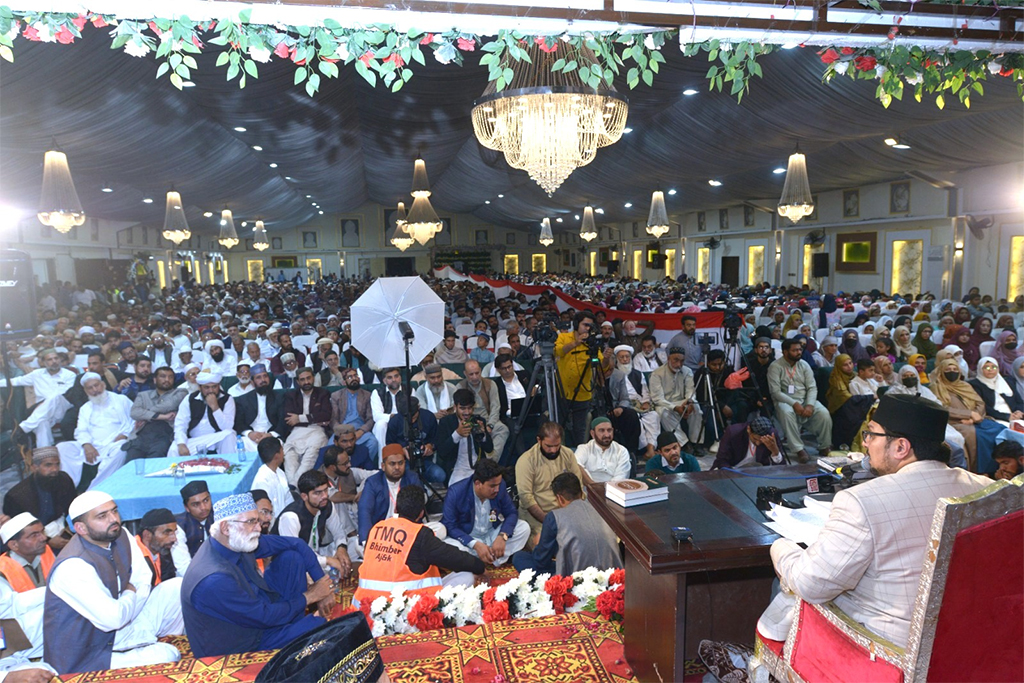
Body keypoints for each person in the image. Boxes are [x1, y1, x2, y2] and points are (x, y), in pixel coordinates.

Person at [757, 394, 992, 649]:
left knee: (790, 582)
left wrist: (781, 547)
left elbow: (810, 585)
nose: (866, 444)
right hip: (969, 638)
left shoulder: (862, 501)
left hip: (890, 651)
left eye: (871, 434)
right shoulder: (989, 490)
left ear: (900, 447)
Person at [44, 491, 184, 674]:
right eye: (102, 516)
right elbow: (113, 619)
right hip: (87, 651)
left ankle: (140, 640)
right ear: (81, 528)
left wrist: (128, 611)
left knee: (177, 586)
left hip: (124, 623)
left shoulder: (121, 534)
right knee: (167, 655)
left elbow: (143, 580)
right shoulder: (73, 566)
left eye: (114, 511)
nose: (114, 519)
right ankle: (143, 643)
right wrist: (128, 594)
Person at [180, 493, 335, 658]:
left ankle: (293, 625)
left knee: (291, 557)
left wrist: (322, 585)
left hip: (257, 610)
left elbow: (297, 544)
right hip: (240, 643)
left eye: (257, 521)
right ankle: (294, 627)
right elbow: (264, 616)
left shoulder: (236, 539)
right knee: (323, 630)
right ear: (225, 528)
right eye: (251, 522)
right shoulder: (214, 578)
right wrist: (311, 596)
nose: (259, 528)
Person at [353, 486, 484, 608]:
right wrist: (480, 567)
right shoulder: (420, 534)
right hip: (403, 609)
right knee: (467, 576)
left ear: (396, 509)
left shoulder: (377, 527)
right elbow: (455, 558)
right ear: (421, 513)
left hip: (364, 605)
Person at [511, 472, 622, 576]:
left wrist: (537, 546)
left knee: (520, 557)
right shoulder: (602, 508)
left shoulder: (554, 516)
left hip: (575, 579)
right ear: (581, 493)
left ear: (559, 498)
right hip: (612, 574)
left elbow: (541, 561)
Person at [441, 458, 530, 566]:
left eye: (499, 484)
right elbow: (449, 525)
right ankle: (478, 559)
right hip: (468, 539)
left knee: (523, 527)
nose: (497, 489)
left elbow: (511, 512)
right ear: (478, 483)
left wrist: (502, 536)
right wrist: (475, 544)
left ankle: (489, 558)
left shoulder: (500, 487)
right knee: (448, 545)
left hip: (491, 535)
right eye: (492, 486)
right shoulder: (456, 492)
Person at [54, 372, 133, 492]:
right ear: (85, 391)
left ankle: (95, 489)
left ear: (103, 384)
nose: (95, 390)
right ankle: (69, 487)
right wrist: (87, 445)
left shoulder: (121, 400)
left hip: (115, 442)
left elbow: (135, 420)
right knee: (62, 447)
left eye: (97, 385)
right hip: (93, 444)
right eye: (90, 388)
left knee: (121, 449)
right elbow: (81, 430)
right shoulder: (85, 408)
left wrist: (125, 435)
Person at [273, 470, 353, 579]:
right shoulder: (291, 517)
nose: (324, 496)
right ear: (304, 496)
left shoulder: (326, 505)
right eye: (317, 493)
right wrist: (328, 560)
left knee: (355, 544)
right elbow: (296, 556)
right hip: (290, 566)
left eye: (325, 490)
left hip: (316, 554)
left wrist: (342, 549)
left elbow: (339, 532)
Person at [515, 422, 587, 536]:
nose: (553, 450)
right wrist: (550, 522)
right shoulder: (526, 461)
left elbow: (578, 488)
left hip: (567, 513)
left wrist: (573, 516)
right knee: (547, 546)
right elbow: (526, 499)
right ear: (539, 440)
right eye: (549, 446)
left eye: (557, 445)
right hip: (539, 518)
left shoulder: (568, 454)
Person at [767, 338, 832, 463]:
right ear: (785, 352)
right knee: (786, 412)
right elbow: (775, 392)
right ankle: (798, 449)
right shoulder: (775, 367)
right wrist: (794, 403)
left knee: (824, 413)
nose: (799, 352)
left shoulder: (804, 365)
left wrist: (809, 405)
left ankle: (824, 446)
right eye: (795, 350)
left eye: (800, 349)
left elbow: (812, 387)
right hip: (785, 401)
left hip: (805, 400)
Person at [2, 447, 75, 551]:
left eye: (57, 464)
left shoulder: (63, 480)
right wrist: (47, 540)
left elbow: (72, 508)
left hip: (62, 530)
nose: (54, 469)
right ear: (34, 467)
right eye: (48, 465)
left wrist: (69, 532)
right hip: (34, 540)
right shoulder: (16, 496)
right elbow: (19, 532)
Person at [1, 349, 77, 447]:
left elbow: (65, 393)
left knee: (55, 397)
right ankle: (45, 453)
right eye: (50, 359)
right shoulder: (37, 374)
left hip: (62, 408)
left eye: (56, 358)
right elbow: (17, 381)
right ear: (43, 362)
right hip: (42, 412)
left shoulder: (69, 375)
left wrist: (46, 402)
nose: (54, 361)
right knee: (41, 424)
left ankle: (23, 428)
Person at [554, 312, 608, 447]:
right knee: (559, 427)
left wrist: (606, 357)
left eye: (590, 326)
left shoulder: (592, 343)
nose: (587, 328)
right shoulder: (564, 337)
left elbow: (601, 365)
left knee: (580, 429)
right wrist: (576, 343)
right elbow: (558, 351)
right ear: (577, 324)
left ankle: (579, 457)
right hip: (563, 391)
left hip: (583, 392)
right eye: (585, 325)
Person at [357, 444, 427, 545]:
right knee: (359, 544)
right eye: (392, 464)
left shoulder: (412, 478)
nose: (397, 467)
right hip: (384, 534)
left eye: (400, 463)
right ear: (383, 466)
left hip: (408, 530)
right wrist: (366, 542)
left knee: (440, 529)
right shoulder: (373, 482)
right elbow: (365, 510)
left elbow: (421, 502)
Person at [124, 366, 186, 461]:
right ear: (155, 380)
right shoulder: (143, 395)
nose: (167, 380)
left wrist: (144, 414)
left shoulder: (181, 392)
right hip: (141, 436)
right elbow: (134, 412)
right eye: (163, 376)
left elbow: (169, 405)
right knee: (131, 466)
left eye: (170, 377)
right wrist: (162, 416)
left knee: (153, 466)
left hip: (165, 436)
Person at [282, 367, 331, 486]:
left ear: (313, 378)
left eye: (308, 378)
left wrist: (299, 418)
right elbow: (288, 418)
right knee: (289, 454)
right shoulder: (291, 395)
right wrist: (314, 418)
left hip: (316, 431)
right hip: (297, 431)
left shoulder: (323, 393)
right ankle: (293, 485)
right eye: (302, 380)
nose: (306, 382)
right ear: (298, 382)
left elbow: (325, 415)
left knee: (310, 456)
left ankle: (295, 486)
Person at [434, 388, 494, 486]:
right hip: (457, 469)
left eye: (470, 408)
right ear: (455, 407)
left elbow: (489, 449)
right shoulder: (446, 422)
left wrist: (483, 434)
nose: (467, 412)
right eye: (462, 408)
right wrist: (457, 434)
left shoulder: (479, 421)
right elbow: (442, 452)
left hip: (478, 469)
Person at [171, 371, 237, 457]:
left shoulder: (227, 399)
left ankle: (231, 467)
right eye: (207, 387)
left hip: (216, 439)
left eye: (214, 387)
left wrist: (215, 407)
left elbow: (227, 426)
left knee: (229, 434)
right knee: (174, 449)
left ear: (219, 386)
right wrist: (181, 444)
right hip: (194, 440)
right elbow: (180, 424)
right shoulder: (190, 399)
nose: (211, 391)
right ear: (200, 387)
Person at [650, 346, 704, 449]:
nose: (679, 364)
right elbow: (657, 398)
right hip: (665, 404)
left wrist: (689, 402)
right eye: (676, 360)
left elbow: (690, 391)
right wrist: (675, 408)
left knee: (696, 408)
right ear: (668, 358)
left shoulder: (687, 371)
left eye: (682, 361)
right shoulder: (657, 374)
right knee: (663, 413)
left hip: (682, 402)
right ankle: (684, 443)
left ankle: (696, 443)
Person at [458, 360, 509, 459]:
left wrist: (490, 425)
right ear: (465, 373)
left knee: (503, 429)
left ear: (480, 370)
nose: (475, 377)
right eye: (471, 374)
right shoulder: (460, 387)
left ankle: (491, 460)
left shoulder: (490, 384)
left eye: (477, 373)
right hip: (470, 421)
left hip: (488, 419)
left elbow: (495, 407)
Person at [233, 363, 285, 453]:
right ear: (252, 382)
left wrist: (270, 434)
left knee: (271, 449)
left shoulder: (280, 397)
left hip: (272, 436)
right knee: (241, 445)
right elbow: (239, 422)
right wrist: (249, 433)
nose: (263, 380)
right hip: (252, 438)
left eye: (265, 376)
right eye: (258, 378)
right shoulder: (243, 399)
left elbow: (283, 420)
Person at [329, 366, 379, 457]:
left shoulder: (367, 395)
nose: (354, 379)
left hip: (360, 430)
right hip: (342, 430)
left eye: (355, 376)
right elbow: (333, 419)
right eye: (350, 377)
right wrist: (340, 431)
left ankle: (363, 465)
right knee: (330, 446)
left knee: (373, 443)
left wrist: (361, 431)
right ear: (344, 382)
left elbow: (370, 419)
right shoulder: (336, 396)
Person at [171, 480, 213, 574]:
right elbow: (183, 566)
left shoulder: (219, 516)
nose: (203, 507)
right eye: (196, 504)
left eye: (206, 500)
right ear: (187, 508)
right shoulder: (178, 527)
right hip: (190, 573)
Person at [710, 416, 784, 469]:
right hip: (733, 469)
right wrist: (732, 473)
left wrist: (775, 452)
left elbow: (781, 468)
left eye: (761, 440)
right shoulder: (733, 432)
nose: (758, 443)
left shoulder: (772, 435)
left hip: (757, 472)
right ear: (748, 430)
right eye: (755, 439)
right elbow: (721, 460)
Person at [969, 356, 1024, 424]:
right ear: (980, 369)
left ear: (998, 369)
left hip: (1014, 416)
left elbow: (1019, 401)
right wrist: (1006, 416)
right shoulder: (975, 385)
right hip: (994, 418)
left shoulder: (1007, 382)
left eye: (994, 367)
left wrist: (1019, 411)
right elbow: (983, 407)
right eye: (986, 367)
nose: (990, 370)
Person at [574, 417, 631, 483]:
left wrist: (605, 489)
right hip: (587, 489)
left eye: (609, 430)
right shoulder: (584, 449)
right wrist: (593, 486)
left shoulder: (621, 451)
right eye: (601, 430)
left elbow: (621, 476)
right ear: (592, 433)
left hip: (613, 490)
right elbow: (576, 466)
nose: (607, 435)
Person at [252, 437, 292, 522]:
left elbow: (288, 499)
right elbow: (265, 513)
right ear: (277, 456)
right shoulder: (262, 481)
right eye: (282, 450)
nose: (284, 453)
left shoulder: (280, 472)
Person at [134, 508, 178, 586]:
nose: (174, 539)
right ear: (147, 535)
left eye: (174, 532)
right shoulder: (134, 555)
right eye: (167, 533)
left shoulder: (161, 549)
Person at [370, 367, 404, 466]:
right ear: (384, 380)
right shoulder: (377, 392)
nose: (394, 380)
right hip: (386, 423)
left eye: (396, 376)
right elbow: (376, 416)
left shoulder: (409, 390)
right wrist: (392, 417)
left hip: (403, 423)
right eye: (390, 377)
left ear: (400, 378)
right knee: (381, 424)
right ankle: (383, 464)